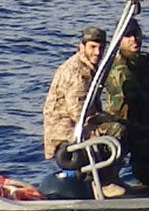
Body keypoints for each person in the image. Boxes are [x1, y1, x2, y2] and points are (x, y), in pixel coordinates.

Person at [98, 21, 149, 192]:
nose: (134, 39)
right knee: (146, 174)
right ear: (119, 39)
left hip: (146, 123)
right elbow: (132, 96)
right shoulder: (118, 65)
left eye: (136, 34)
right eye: (128, 36)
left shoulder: (141, 61)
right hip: (128, 125)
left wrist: (146, 97)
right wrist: (147, 96)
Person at [40, 25, 108, 161]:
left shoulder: (86, 66)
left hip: (72, 125)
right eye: (92, 47)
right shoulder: (78, 71)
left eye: (101, 48)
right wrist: (102, 123)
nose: (97, 52)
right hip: (65, 130)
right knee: (115, 131)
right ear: (81, 47)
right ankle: (104, 179)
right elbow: (76, 111)